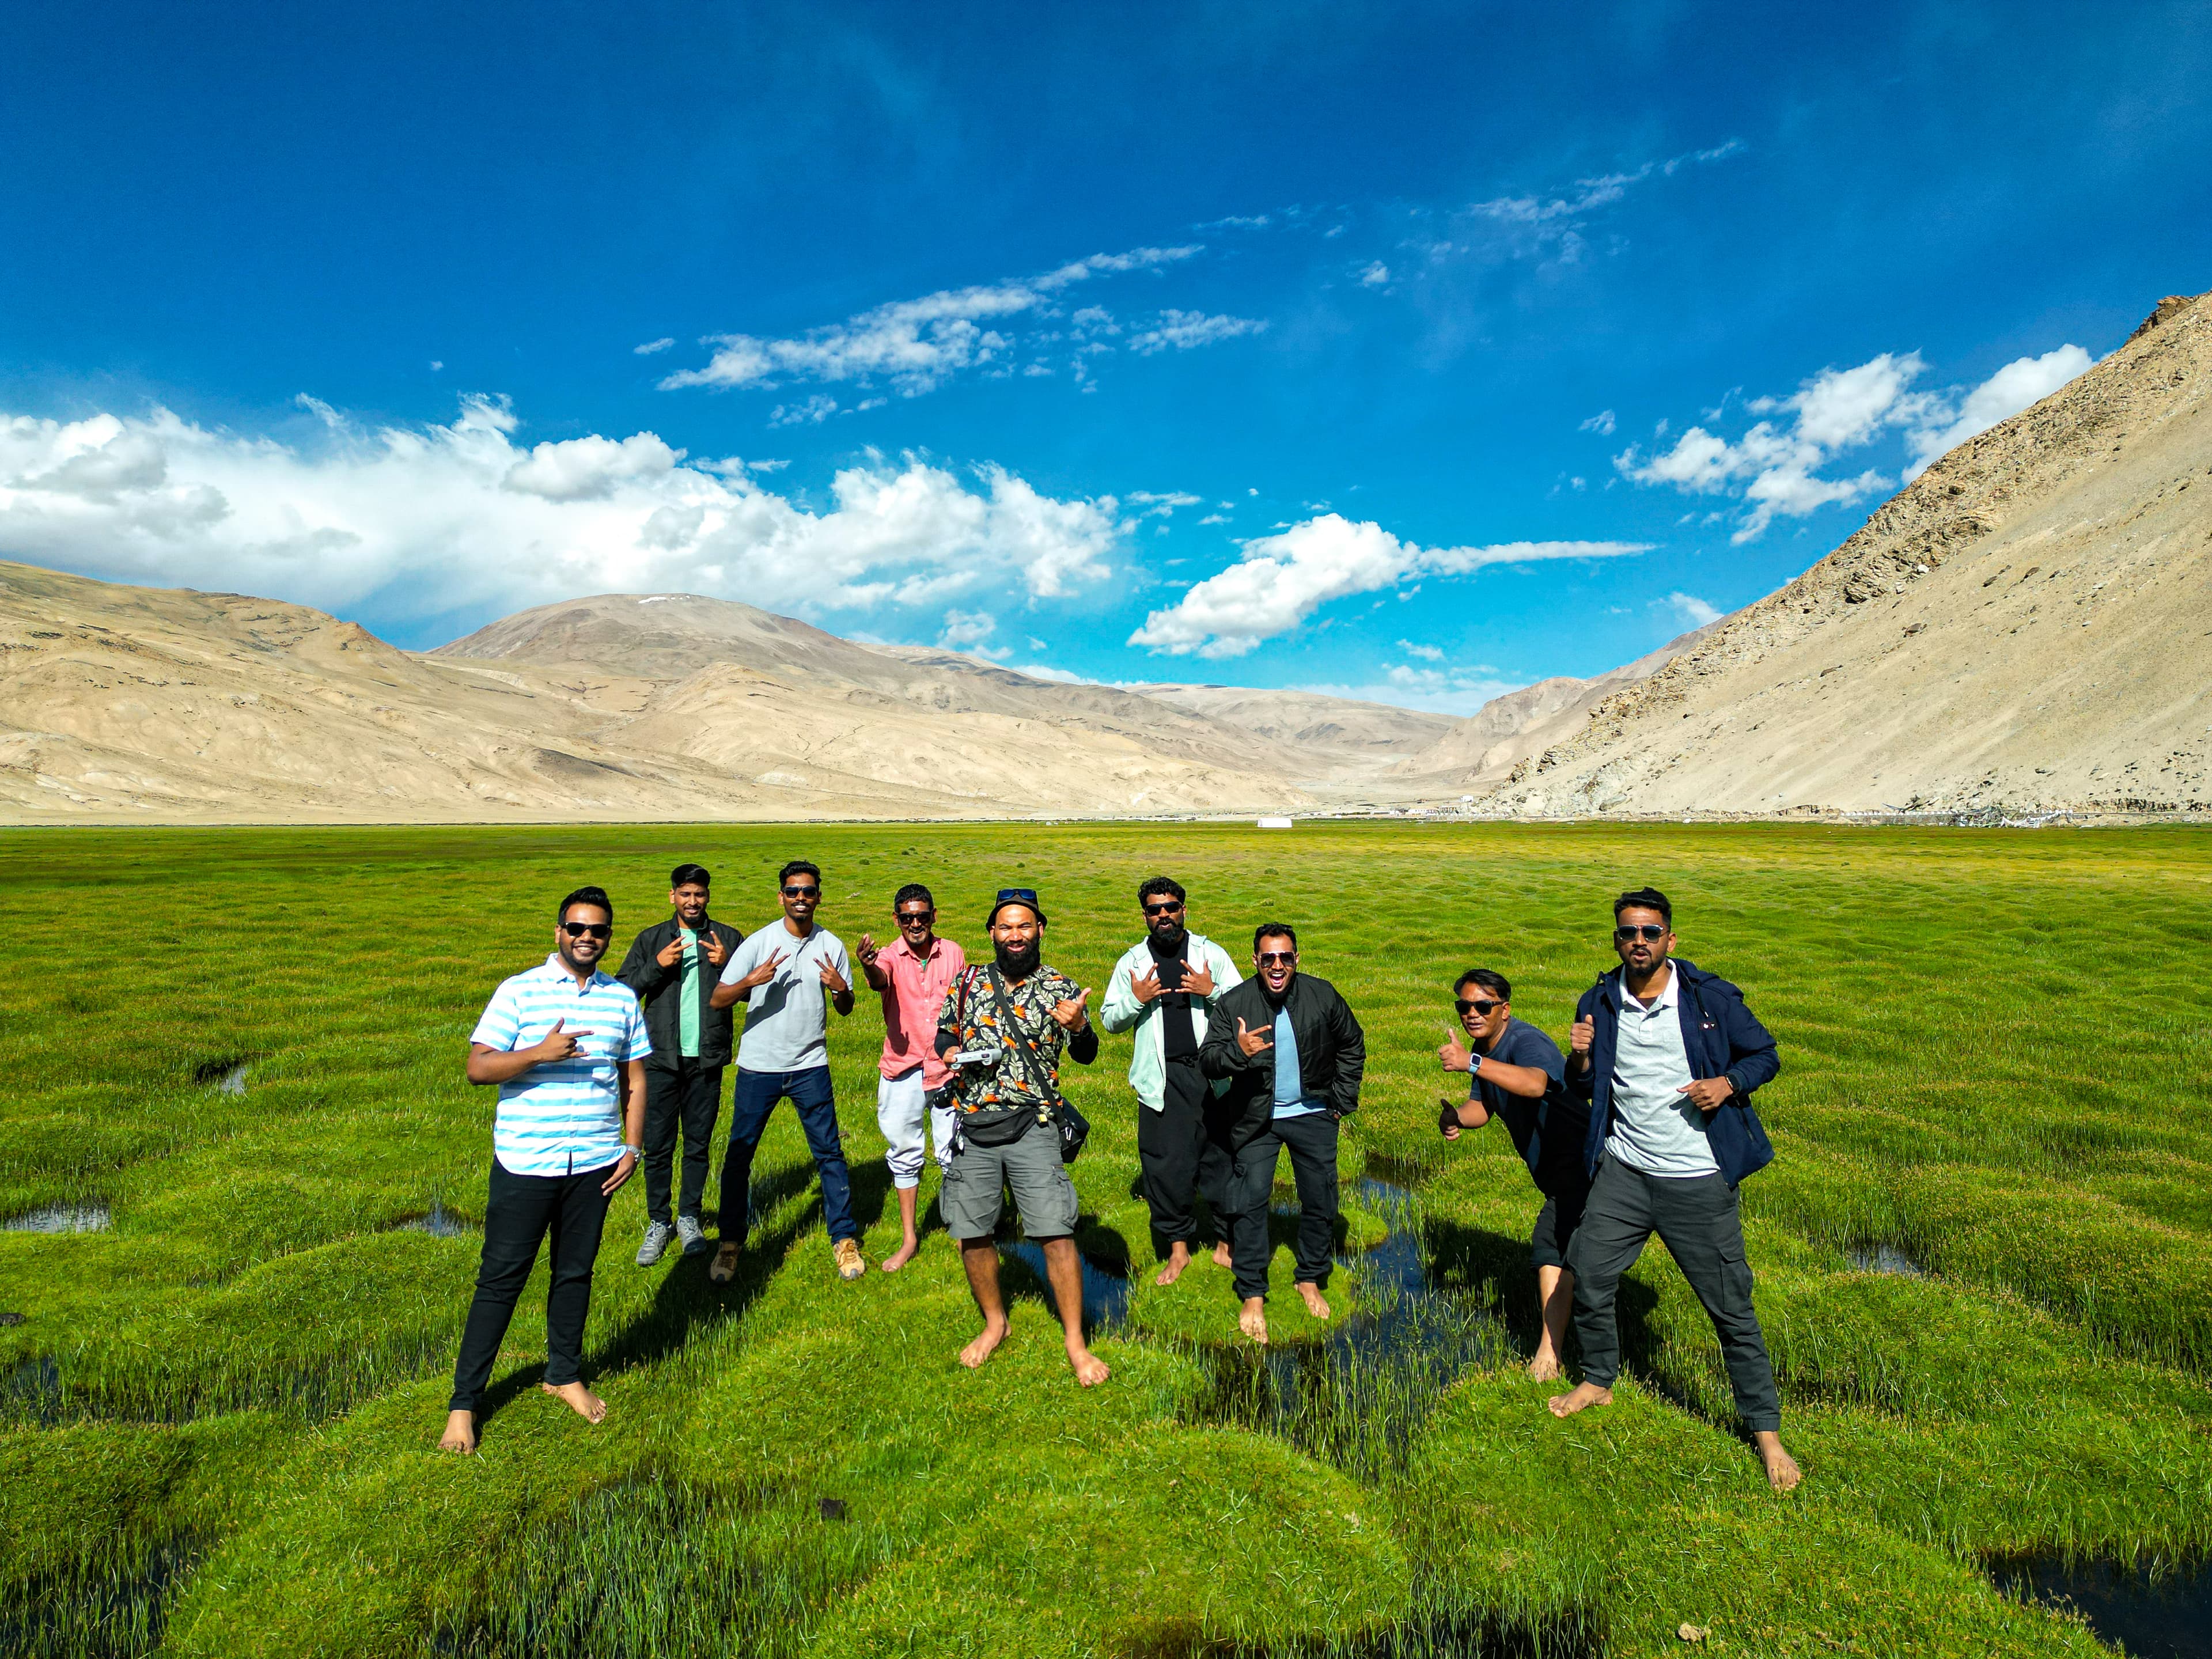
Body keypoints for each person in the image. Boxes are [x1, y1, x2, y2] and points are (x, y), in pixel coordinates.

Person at [1546, 887, 1802, 1493]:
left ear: (1670, 939)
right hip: (1625, 1172)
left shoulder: (1710, 997)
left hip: (1697, 1179)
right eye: (1629, 933)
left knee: (1731, 1308)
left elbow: (1766, 1055)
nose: (1640, 942)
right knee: (1589, 1271)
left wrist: (1729, 1083)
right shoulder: (1599, 999)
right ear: (1616, 940)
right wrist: (1578, 1061)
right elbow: (1583, 1087)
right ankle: (1600, 1379)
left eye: (1650, 932)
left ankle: (1766, 1433)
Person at [440, 885, 647, 1455]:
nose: (587, 938)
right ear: (559, 932)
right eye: (577, 928)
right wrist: (537, 1053)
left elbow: (635, 1079)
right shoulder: (519, 992)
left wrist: (633, 1148)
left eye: (598, 931)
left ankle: (564, 1374)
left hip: (597, 1163)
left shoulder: (621, 1000)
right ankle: (464, 1404)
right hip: (527, 1160)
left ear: (608, 937)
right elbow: (478, 1068)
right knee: (501, 1280)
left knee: (575, 1273)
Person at [933, 888, 1109, 1386]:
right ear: (992, 932)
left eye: (1024, 926)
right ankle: (996, 1323)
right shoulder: (967, 983)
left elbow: (1088, 1054)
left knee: (1055, 1233)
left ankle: (1075, 1342)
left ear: (1040, 931)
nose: (1015, 935)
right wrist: (948, 1054)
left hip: (1034, 1125)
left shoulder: (1059, 987)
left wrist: (1079, 1027)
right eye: (1006, 927)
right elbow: (944, 1033)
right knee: (972, 1233)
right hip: (975, 1126)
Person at [1199, 924, 1365, 1346]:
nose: (1277, 966)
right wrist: (1240, 1053)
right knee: (1251, 1202)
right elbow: (1209, 1061)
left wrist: (1340, 1101)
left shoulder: (1322, 994)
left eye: (1285, 958)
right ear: (1254, 961)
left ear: (1297, 960)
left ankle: (1308, 1277)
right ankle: (1252, 1292)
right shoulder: (1235, 1002)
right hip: (1256, 1118)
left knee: (1321, 1197)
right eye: (1268, 958)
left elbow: (1352, 1042)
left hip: (1314, 1114)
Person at [707, 859, 864, 1285]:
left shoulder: (830, 944)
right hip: (759, 1067)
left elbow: (846, 1008)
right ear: (781, 896)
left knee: (829, 1153)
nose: (800, 898)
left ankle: (844, 1239)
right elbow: (720, 999)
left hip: (810, 1066)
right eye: (793, 891)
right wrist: (752, 982)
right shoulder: (759, 943)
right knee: (740, 1156)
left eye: (808, 891)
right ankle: (730, 1244)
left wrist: (841, 990)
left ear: (818, 897)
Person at [1435, 968, 1588, 1380]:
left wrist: (1471, 1062)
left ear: (1505, 1009)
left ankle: (1549, 1354)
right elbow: (1482, 1107)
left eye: (1482, 1006)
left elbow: (1536, 1084)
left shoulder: (1525, 1040)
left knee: (1550, 1246)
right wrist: (1456, 1119)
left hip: (1583, 1162)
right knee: (1576, 1252)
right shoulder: (1483, 1046)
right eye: (1464, 1006)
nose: (1472, 1013)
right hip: (1555, 1171)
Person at [1099, 876, 1243, 1285]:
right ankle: (1178, 1251)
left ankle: (1225, 1247)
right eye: (1155, 910)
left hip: (1213, 1072)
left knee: (1221, 1157)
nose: (1164, 915)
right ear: (1145, 915)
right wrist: (1135, 999)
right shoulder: (1132, 963)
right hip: (1161, 1077)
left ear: (1184, 910)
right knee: (1166, 1165)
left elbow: (1246, 1005)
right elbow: (1110, 1020)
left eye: (1171, 907)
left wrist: (1211, 990)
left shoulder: (1209, 954)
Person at [615, 863, 744, 1266]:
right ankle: (658, 1222)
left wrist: (727, 965)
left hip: (706, 1057)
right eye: (685, 894)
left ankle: (689, 1218)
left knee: (699, 1144)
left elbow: (751, 993)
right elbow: (623, 994)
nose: (693, 901)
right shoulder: (652, 939)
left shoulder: (727, 938)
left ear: (708, 897)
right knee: (658, 1145)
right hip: (660, 1058)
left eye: (699, 894)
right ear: (672, 896)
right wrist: (657, 965)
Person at [854, 882, 967, 1272]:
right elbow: (878, 979)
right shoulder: (887, 956)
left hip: (947, 1068)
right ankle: (909, 1238)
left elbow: (962, 1004)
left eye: (922, 916)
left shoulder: (952, 952)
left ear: (934, 916)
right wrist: (867, 963)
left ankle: (961, 1231)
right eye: (907, 918)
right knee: (904, 1153)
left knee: (954, 1151)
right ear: (897, 919)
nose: (915, 924)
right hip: (902, 1068)